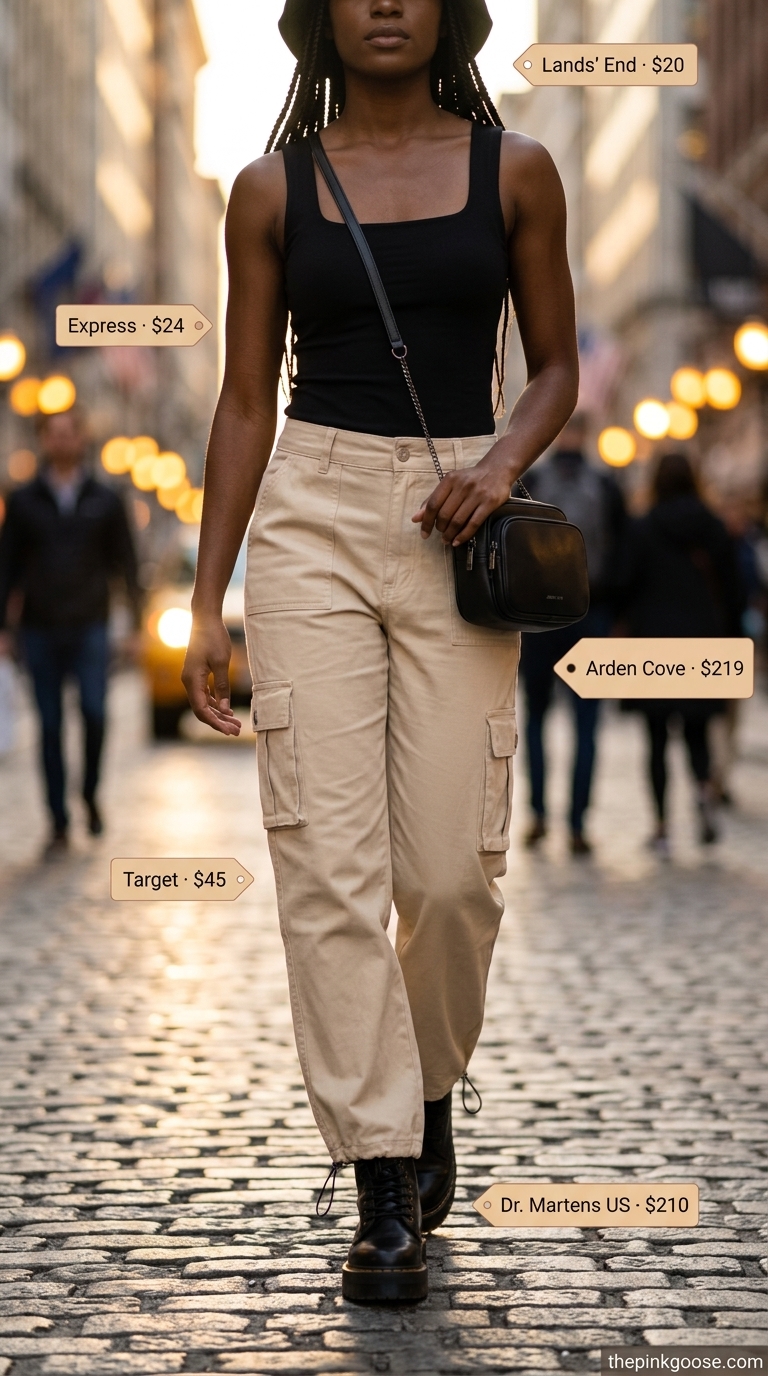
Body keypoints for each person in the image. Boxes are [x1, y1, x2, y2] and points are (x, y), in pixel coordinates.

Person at [182, 0, 578, 1303]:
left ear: (453, 10)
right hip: (311, 519)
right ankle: (382, 1184)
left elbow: (558, 366)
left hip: (458, 519)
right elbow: (246, 401)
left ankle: (429, 1084)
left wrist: (502, 463)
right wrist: (207, 601)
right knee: (328, 866)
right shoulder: (268, 188)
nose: (388, 3)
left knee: (453, 873)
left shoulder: (514, 166)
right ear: (321, 17)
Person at [0, 408, 140, 851]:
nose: (61, 441)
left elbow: (128, 565)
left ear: (82, 439)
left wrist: (135, 623)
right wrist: (4, 628)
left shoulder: (106, 498)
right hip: (39, 629)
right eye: (53, 434)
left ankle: (90, 795)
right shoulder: (23, 501)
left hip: (90, 626)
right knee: (50, 725)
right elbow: (6, 570)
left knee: (96, 712)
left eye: (69, 433)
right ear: (44, 440)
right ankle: (58, 817)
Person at [623, 451, 744, 854]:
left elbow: (623, 584)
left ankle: (661, 827)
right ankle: (704, 794)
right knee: (697, 733)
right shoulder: (712, 527)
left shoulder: (642, 527)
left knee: (656, 739)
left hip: (653, 643)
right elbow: (733, 589)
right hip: (701, 640)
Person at [519, 413, 626, 854]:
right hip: (591, 615)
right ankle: (578, 824)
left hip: (539, 619)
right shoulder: (605, 487)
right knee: (586, 726)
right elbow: (622, 555)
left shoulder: (531, 481)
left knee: (536, 720)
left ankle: (539, 816)